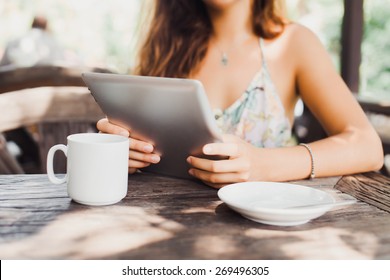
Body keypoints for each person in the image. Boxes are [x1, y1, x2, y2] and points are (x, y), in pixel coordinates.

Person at [97, 0, 383, 188]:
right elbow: (144, 150)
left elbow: (368, 147)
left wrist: (264, 165)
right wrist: (122, 150)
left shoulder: (294, 43)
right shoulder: (165, 51)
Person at [0, 15, 67, 67]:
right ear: (46, 27)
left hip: (16, 82)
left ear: (32, 25)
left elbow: (3, 66)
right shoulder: (56, 44)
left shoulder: (14, 41)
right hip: (48, 82)